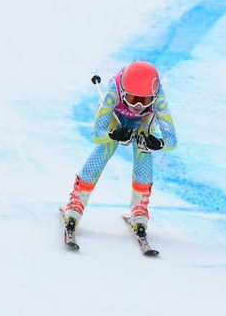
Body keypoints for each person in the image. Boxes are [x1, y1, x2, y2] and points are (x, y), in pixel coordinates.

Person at [63, 60, 177, 237]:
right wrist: (113, 134)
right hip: (115, 118)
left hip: (144, 123)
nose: (138, 106)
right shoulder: (112, 93)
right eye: (132, 99)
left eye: (145, 100)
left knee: (143, 146)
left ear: (154, 96)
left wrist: (158, 143)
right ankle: (77, 201)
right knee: (105, 147)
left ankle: (139, 209)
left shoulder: (159, 100)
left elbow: (172, 141)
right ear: (123, 91)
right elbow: (96, 134)